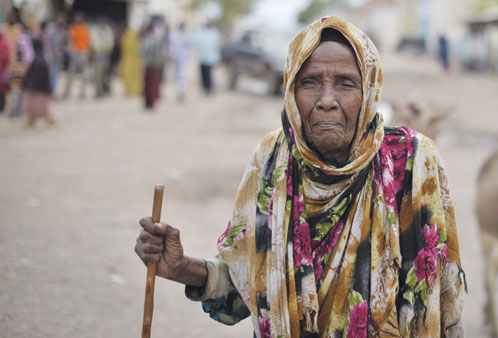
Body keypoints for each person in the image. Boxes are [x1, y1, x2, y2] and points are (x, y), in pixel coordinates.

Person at [135, 17, 466, 337]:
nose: (326, 101)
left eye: (346, 83)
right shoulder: (273, 158)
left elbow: (436, 298)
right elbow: (245, 286)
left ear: (370, 90)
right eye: (309, 82)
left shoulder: (410, 161)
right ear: (291, 89)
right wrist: (180, 268)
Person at [22, 37, 54, 126]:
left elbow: (28, 75)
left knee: (32, 106)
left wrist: (25, 84)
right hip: (42, 89)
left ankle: (32, 121)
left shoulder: (34, 60)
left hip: (33, 88)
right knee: (42, 107)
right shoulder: (43, 60)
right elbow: (47, 77)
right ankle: (43, 121)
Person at [63, 12, 89, 100]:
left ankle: (82, 93)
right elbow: (70, 40)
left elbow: (88, 41)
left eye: (80, 18)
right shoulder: (73, 28)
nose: (78, 20)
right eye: (77, 18)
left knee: (84, 74)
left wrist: (87, 52)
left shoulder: (85, 28)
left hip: (83, 52)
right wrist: (71, 50)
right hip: (75, 53)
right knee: (71, 74)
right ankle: (67, 93)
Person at [139, 22, 165, 110]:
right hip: (154, 65)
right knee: (153, 84)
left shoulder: (146, 40)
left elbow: (141, 52)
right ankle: (151, 101)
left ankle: (149, 102)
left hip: (149, 64)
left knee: (149, 85)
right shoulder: (156, 39)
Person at [90, 17, 114, 98]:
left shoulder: (108, 30)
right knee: (98, 74)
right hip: (98, 55)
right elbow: (93, 42)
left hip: (106, 55)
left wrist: (107, 50)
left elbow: (110, 42)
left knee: (106, 74)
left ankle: (106, 90)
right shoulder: (94, 30)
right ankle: (98, 92)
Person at [194, 22, 220, 95]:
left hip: (209, 58)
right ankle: (206, 87)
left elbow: (217, 46)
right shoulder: (203, 32)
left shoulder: (214, 33)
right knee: (204, 74)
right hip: (203, 57)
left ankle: (208, 87)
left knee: (208, 74)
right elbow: (196, 41)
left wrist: (217, 58)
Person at [168, 23, 189, 102]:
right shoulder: (174, 34)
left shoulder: (185, 35)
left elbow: (189, 44)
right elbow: (171, 46)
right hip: (176, 57)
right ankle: (179, 91)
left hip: (182, 57)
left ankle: (182, 91)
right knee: (178, 75)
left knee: (182, 74)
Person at [120, 25, 142, 96]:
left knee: (132, 76)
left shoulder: (128, 37)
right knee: (131, 76)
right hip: (131, 60)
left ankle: (131, 90)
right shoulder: (132, 38)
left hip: (131, 60)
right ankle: (131, 90)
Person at [0, 30, 10, 112]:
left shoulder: (4, 43)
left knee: (2, 89)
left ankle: (2, 106)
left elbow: (6, 56)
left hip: (2, 70)